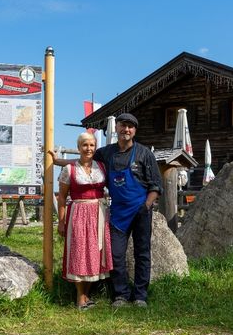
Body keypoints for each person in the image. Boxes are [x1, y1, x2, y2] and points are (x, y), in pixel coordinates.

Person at [51, 113, 162, 308]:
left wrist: (146, 206)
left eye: (130, 126)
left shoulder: (145, 154)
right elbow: (83, 161)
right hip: (118, 213)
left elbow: (156, 186)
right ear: (116, 128)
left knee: (142, 253)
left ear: (134, 130)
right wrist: (58, 161)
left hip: (140, 211)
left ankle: (140, 296)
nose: (126, 130)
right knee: (116, 255)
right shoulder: (106, 153)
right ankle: (120, 295)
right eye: (122, 126)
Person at [56, 132, 113, 310]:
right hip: (78, 213)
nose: (88, 148)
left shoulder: (101, 167)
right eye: (85, 145)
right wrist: (61, 221)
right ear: (79, 147)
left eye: (91, 145)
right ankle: (80, 297)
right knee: (79, 253)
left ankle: (87, 294)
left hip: (99, 213)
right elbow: (62, 197)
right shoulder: (70, 169)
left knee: (95, 253)